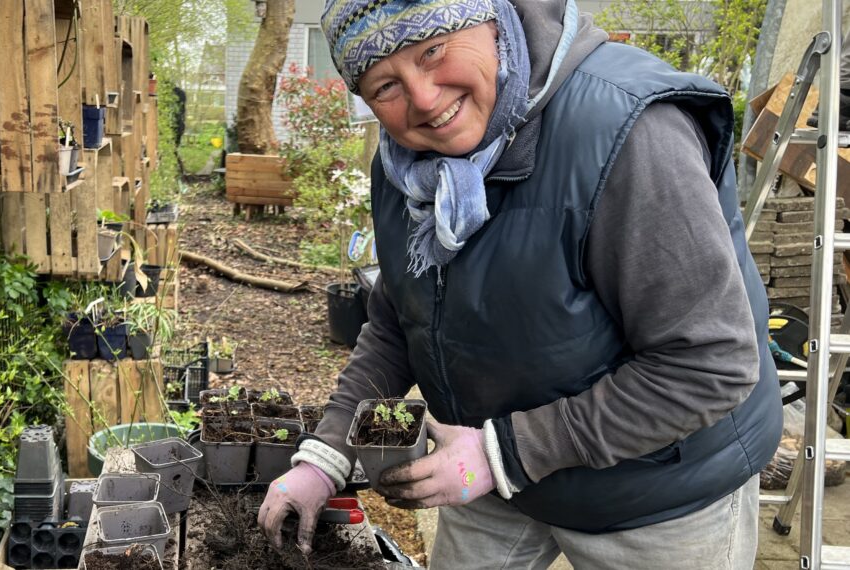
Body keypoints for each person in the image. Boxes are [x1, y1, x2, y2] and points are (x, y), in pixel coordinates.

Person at [256, 1, 783, 568]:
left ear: (491, 22)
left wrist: (502, 452)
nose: (425, 99)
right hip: (491, 471)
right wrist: (325, 454)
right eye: (386, 85)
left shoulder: (626, 134)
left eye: (433, 50)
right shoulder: (405, 164)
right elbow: (398, 319)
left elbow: (709, 362)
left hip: (655, 491)